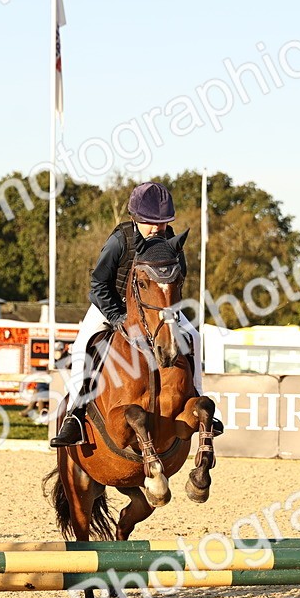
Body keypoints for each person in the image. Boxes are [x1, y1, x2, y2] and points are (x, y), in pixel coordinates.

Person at [50, 182, 216, 447]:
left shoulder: (171, 242)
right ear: (135, 218)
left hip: (155, 311)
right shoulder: (120, 240)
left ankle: (197, 394)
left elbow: (177, 281)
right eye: (150, 222)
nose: (157, 228)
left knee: (194, 336)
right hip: (112, 304)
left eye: (162, 222)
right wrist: (118, 316)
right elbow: (98, 285)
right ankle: (75, 414)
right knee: (82, 345)